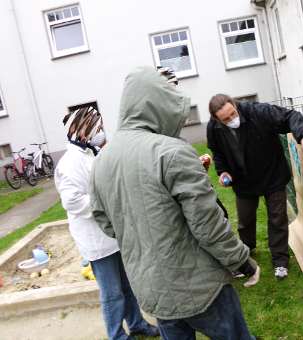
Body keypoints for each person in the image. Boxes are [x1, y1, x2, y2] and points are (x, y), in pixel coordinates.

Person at [89, 66, 258, 340]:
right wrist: (242, 261)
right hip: (199, 285)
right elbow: (207, 224)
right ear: (159, 104)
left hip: (153, 289)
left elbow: (107, 224)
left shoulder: (102, 162)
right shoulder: (171, 152)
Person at [54, 106, 159, 340]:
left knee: (127, 285)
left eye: (99, 127)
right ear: (77, 129)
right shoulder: (69, 163)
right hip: (96, 240)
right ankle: (116, 335)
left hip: (113, 234)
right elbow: (73, 203)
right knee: (112, 293)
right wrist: (107, 200)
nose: (99, 132)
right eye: (94, 128)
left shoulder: (91, 154)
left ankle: (137, 323)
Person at [207, 94, 303, 279]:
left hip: (272, 174)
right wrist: (223, 171)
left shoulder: (258, 112)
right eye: (226, 119)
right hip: (243, 180)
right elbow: (217, 152)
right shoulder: (214, 128)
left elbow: (291, 116)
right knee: (245, 220)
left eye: (233, 114)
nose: (232, 120)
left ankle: (280, 261)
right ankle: (246, 251)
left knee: (277, 218)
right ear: (217, 119)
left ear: (235, 105)